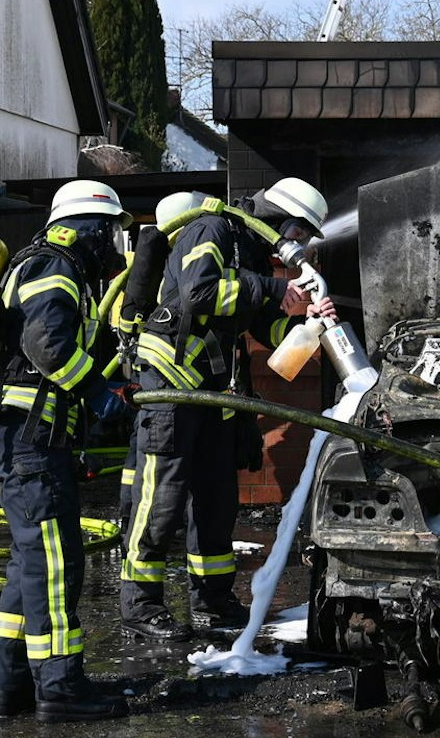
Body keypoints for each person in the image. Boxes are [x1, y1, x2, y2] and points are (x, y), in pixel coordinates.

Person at [116, 178, 335, 640]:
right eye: (299, 233)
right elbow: (198, 294)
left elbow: (261, 328)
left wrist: (306, 321)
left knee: (217, 502)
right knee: (162, 500)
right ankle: (140, 605)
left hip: (214, 393)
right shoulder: (211, 229)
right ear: (282, 219)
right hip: (172, 384)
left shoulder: (249, 252)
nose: (298, 245)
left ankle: (212, 602)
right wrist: (276, 291)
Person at [0, 179, 131, 722]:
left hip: (21, 433)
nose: (114, 243)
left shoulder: (45, 265)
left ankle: (12, 685)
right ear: (88, 228)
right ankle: (60, 684)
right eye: (109, 231)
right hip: (28, 436)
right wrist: (94, 392)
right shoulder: (54, 266)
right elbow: (46, 346)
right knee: (56, 562)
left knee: (29, 564)